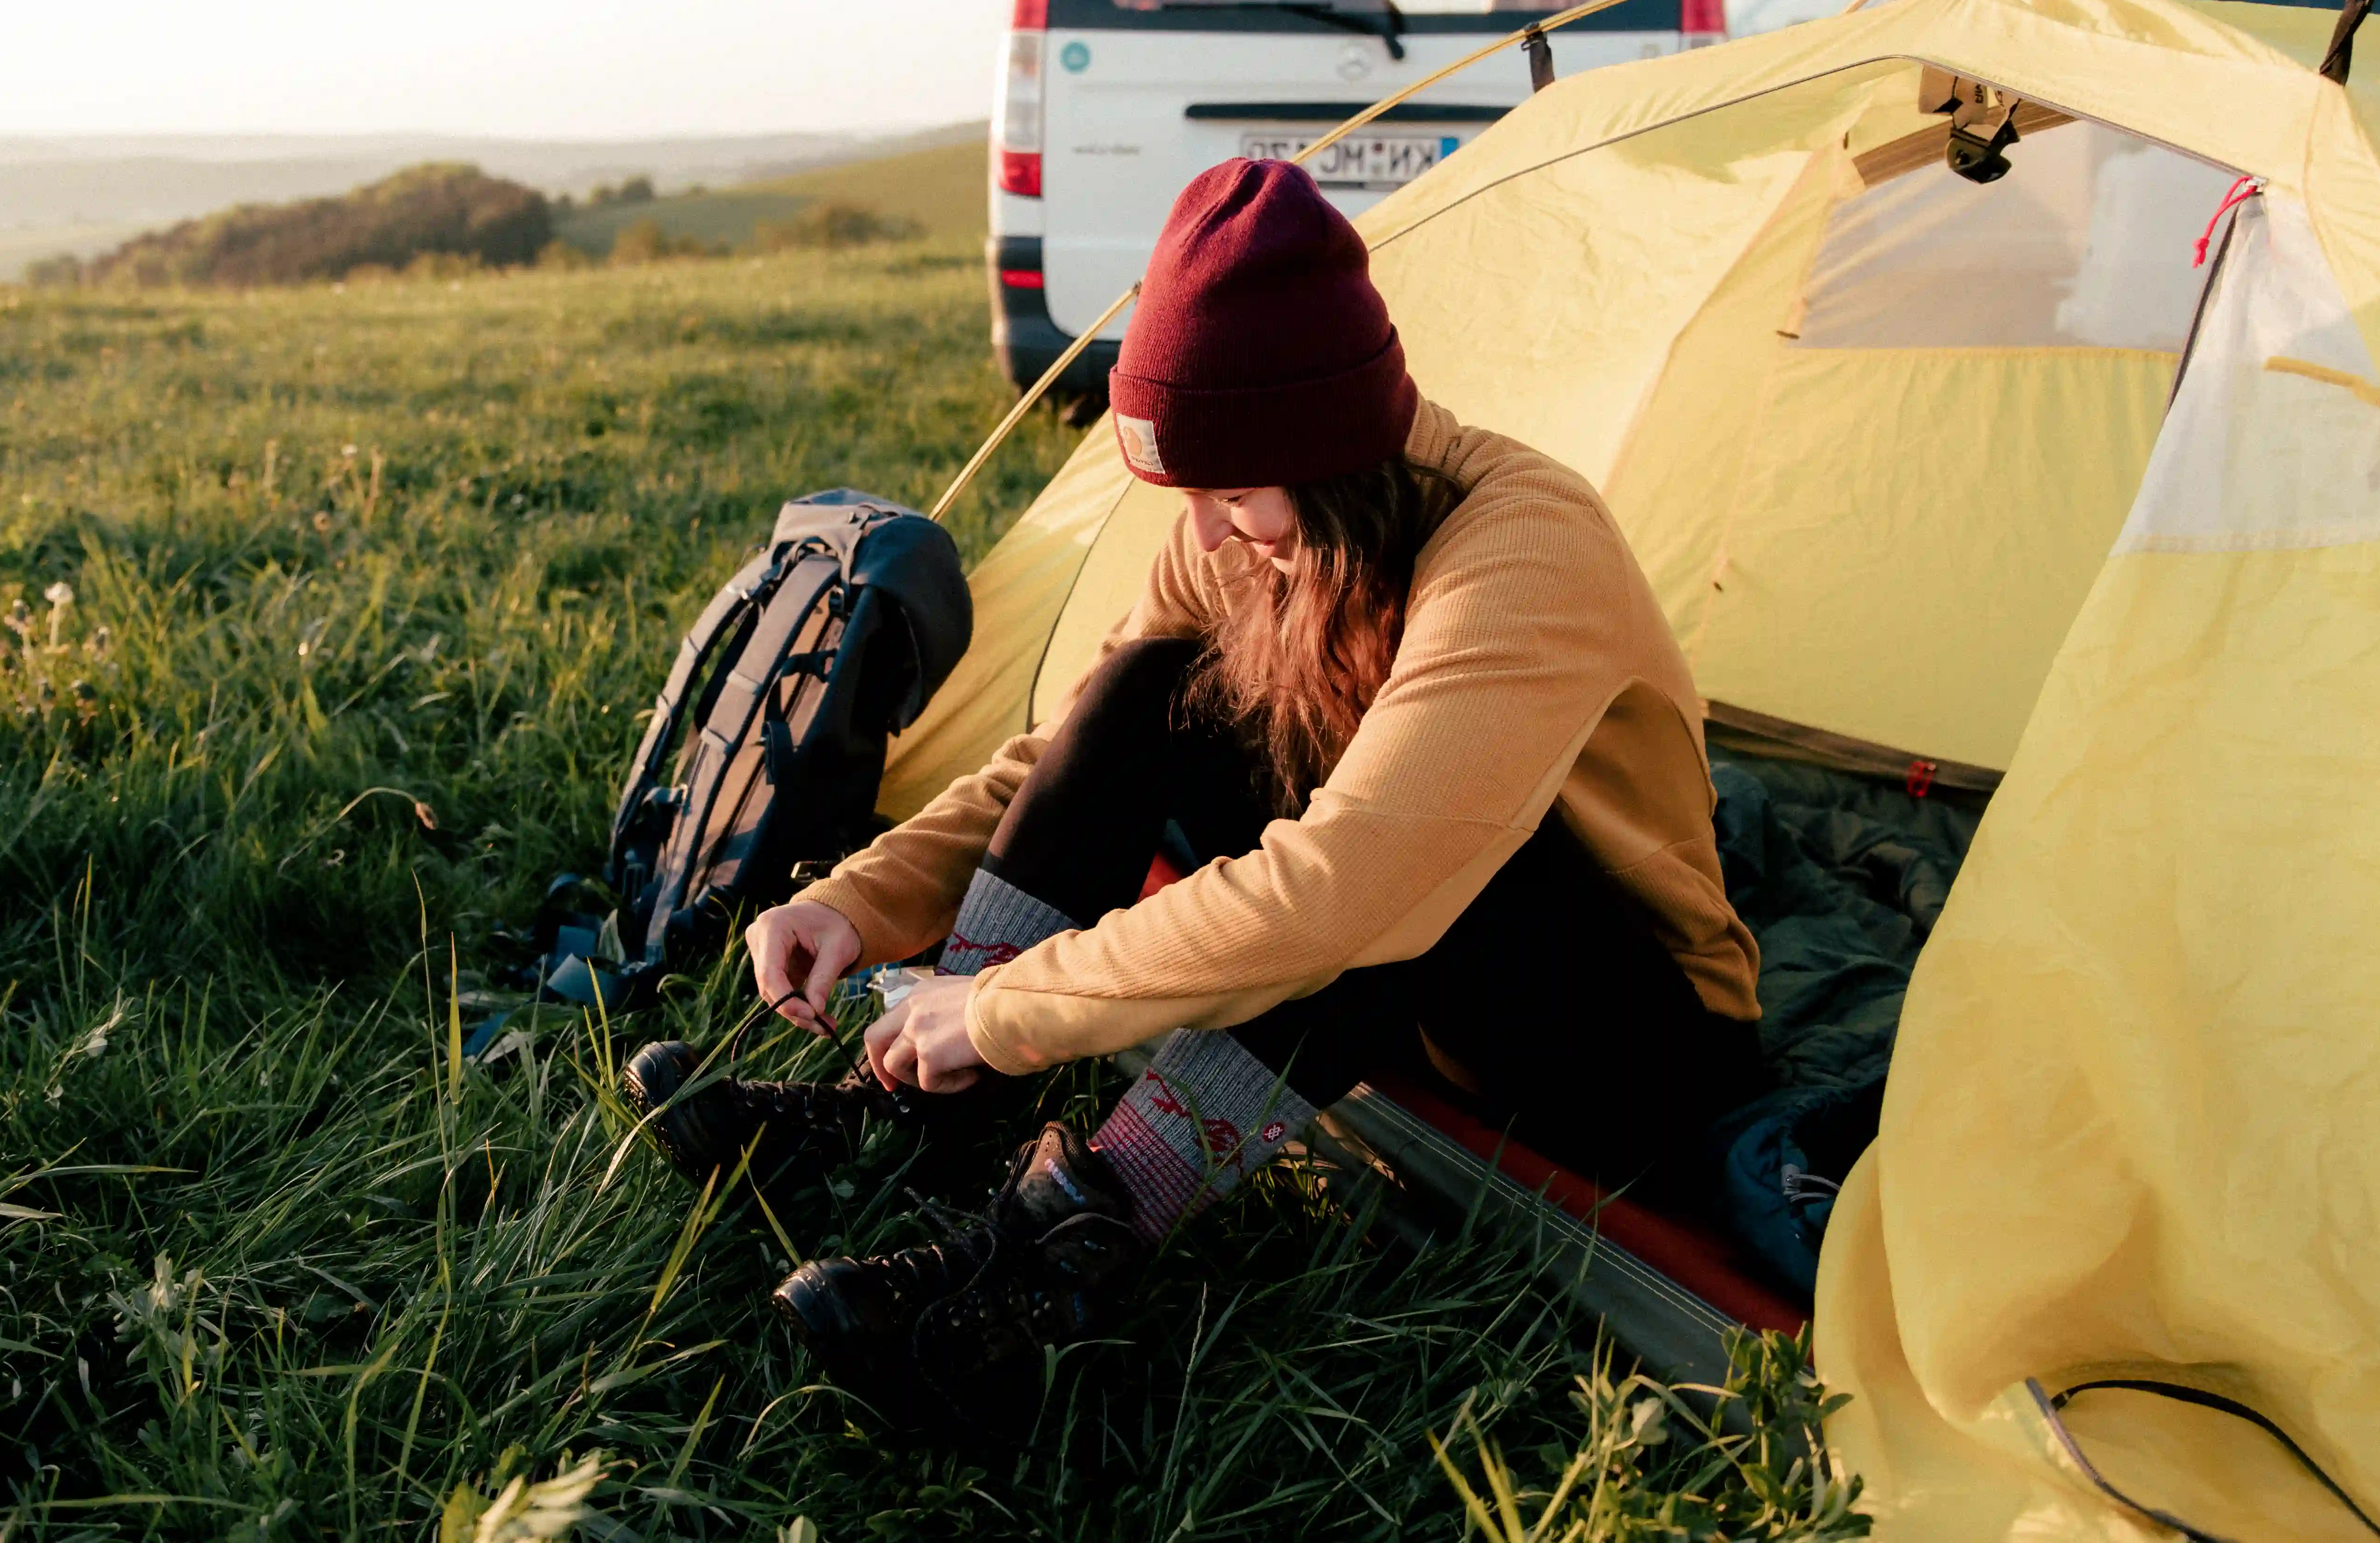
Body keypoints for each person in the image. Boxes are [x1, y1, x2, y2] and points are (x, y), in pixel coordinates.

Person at [624, 157, 1764, 1440]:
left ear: (1336, 454)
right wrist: (862, 897)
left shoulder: (1520, 545)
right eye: (1192, 497)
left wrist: (1005, 1009)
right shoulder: (1245, 530)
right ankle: (920, 1111)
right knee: (1150, 685)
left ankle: (1043, 1266)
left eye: (1231, 495)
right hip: (1398, 942)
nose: (1209, 536)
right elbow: (1063, 748)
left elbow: (1343, 894)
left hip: (1622, 1047)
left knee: (1379, 886)